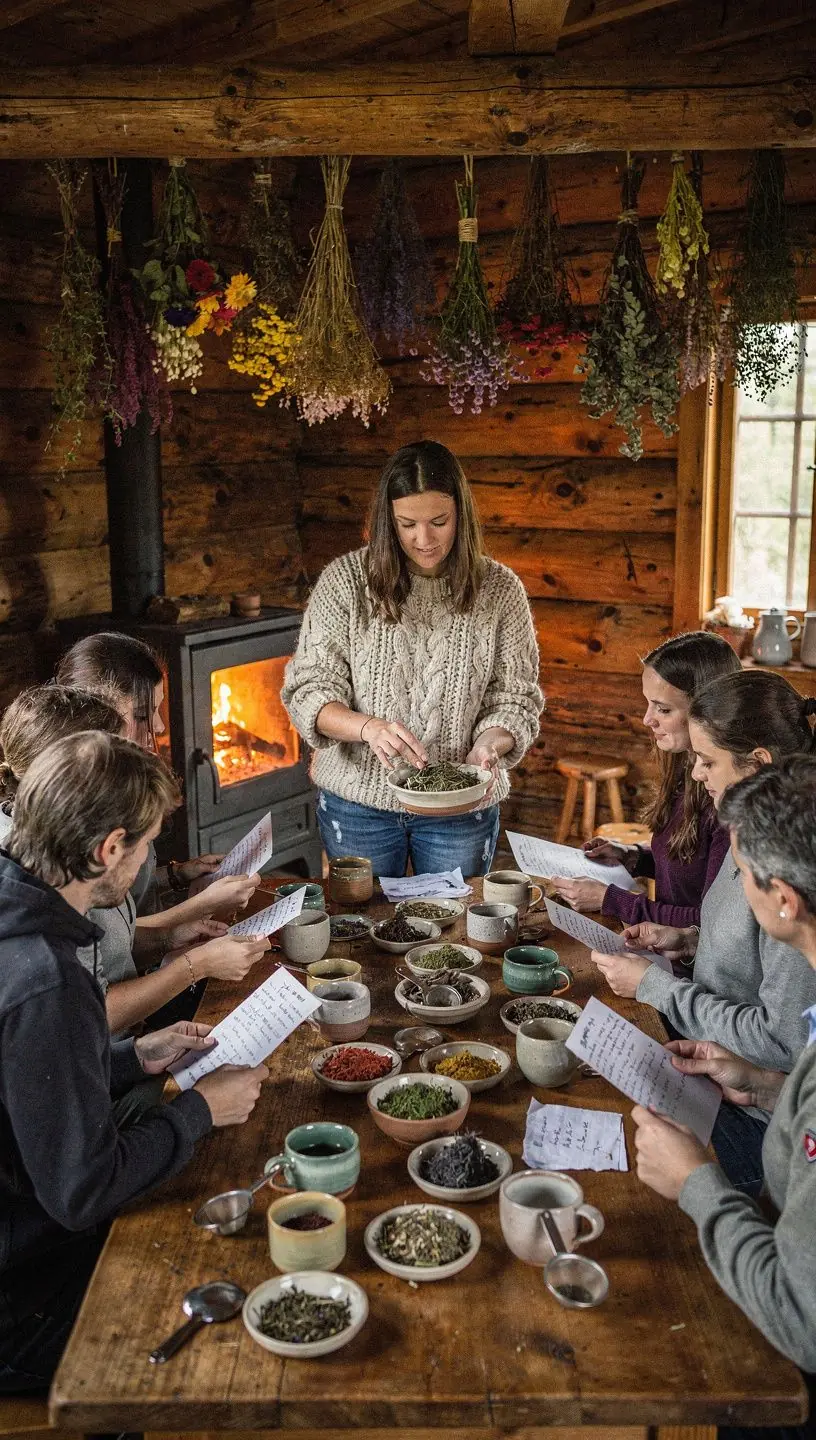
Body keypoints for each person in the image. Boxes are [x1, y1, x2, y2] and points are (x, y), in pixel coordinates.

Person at [0, 731, 267, 1392]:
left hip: (26, 1234)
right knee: (242, 1317)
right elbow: (82, 1191)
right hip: (24, 1294)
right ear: (108, 849)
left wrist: (129, 1058)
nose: (148, 856)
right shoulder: (46, 979)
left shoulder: (21, 925)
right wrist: (202, 1111)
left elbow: (27, 1083)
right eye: (147, 842)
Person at [632, 755, 816, 1440]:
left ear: (784, 901)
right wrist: (761, 1082)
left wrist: (696, 1182)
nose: (734, 890)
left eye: (740, 877)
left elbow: (801, 1322)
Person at [591, 669, 816, 1195]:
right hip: (731, 1074)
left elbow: (783, 1043)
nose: (694, 774)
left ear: (758, 763)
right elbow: (744, 951)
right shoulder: (750, 829)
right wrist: (689, 941)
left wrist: (657, 988)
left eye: (708, 761)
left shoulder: (785, 869)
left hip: (762, 1138)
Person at [282, 440, 543, 878]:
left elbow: (515, 699)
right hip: (358, 802)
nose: (424, 540)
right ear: (389, 521)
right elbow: (310, 691)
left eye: (439, 521)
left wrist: (488, 745)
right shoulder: (346, 582)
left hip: (459, 805)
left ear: (461, 513)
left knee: (455, 935)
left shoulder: (500, 590)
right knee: (360, 928)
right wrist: (367, 728)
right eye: (407, 524)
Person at [0, 686, 269, 1043]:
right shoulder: (46, 905)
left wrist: (170, 934)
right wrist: (195, 962)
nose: (149, 739)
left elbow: (110, 948)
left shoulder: (60, 857)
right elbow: (88, 1020)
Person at [551, 630, 739, 924]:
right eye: (648, 703)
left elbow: (710, 926)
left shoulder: (727, 802)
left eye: (663, 709)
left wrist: (609, 899)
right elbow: (685, 864)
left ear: (706, 711)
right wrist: (630, 856)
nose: (647, 719)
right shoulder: (685, 767)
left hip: (691, 966)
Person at [56, 632, 241, 915]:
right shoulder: (77, 808)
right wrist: (197, 908)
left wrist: (175, 875)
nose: (159, 727)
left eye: (157, 709)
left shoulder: (116, 775)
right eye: (143, 714)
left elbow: (121, 893)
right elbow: (112, 941)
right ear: (93, 716)